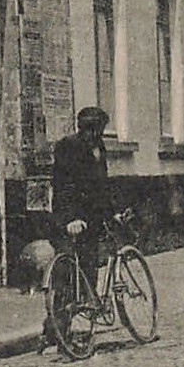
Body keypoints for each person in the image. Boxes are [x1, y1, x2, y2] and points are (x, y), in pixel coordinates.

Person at [51, 106, 114, 281]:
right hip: (71, 217)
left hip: (92, 215)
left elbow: (102, 184)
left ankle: (90, 302)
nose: (98, 135)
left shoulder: (99, 147)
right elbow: (62, 185)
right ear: (86, 128)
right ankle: (65, 306)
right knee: (68, 267)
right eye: (96, 130)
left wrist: (110, 212)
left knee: (90, 262)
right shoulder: (67, 146)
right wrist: (70, 218)